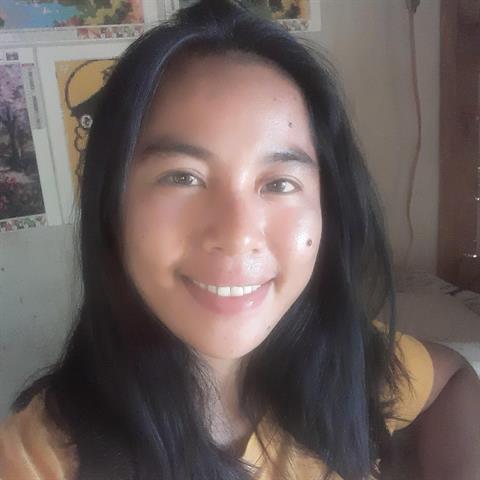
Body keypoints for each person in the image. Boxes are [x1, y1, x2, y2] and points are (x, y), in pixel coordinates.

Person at [1, 1, 479, 479]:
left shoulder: (346, 362)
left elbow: (453, 378)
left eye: (279, 183)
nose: (237, 235)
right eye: (182, 177)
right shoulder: (38, 461)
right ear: (112, 205)